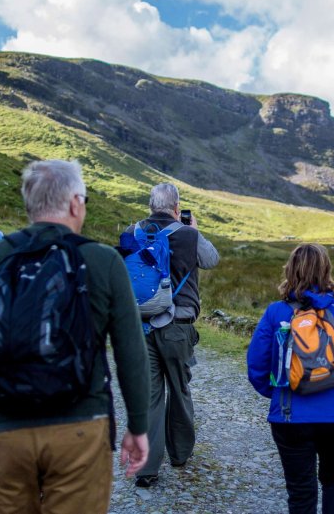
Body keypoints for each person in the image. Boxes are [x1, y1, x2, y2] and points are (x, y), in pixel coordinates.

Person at [0, 160, 151, 514]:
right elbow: (132, 352)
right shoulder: (102, 261)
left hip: (1, 428)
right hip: (81, 428)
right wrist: (138, 426)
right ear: (74, 203)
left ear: (31, 205)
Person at [246, 244, 334, 514]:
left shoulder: (276, 312)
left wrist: (278, 393)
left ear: (290, 270)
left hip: (289, 417)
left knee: (300, 492)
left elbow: (257, 366)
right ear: (326, 271)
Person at [128, 183, 220, 488]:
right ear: (176, 207)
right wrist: (195, 229)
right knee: (179, 390)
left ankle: (146, 468)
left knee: (151, 395)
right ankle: (179, 454)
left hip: (141, 326)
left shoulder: (134, 232)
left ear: (151, 205)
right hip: (178, 327)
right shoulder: (188, 234)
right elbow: (211, 260)